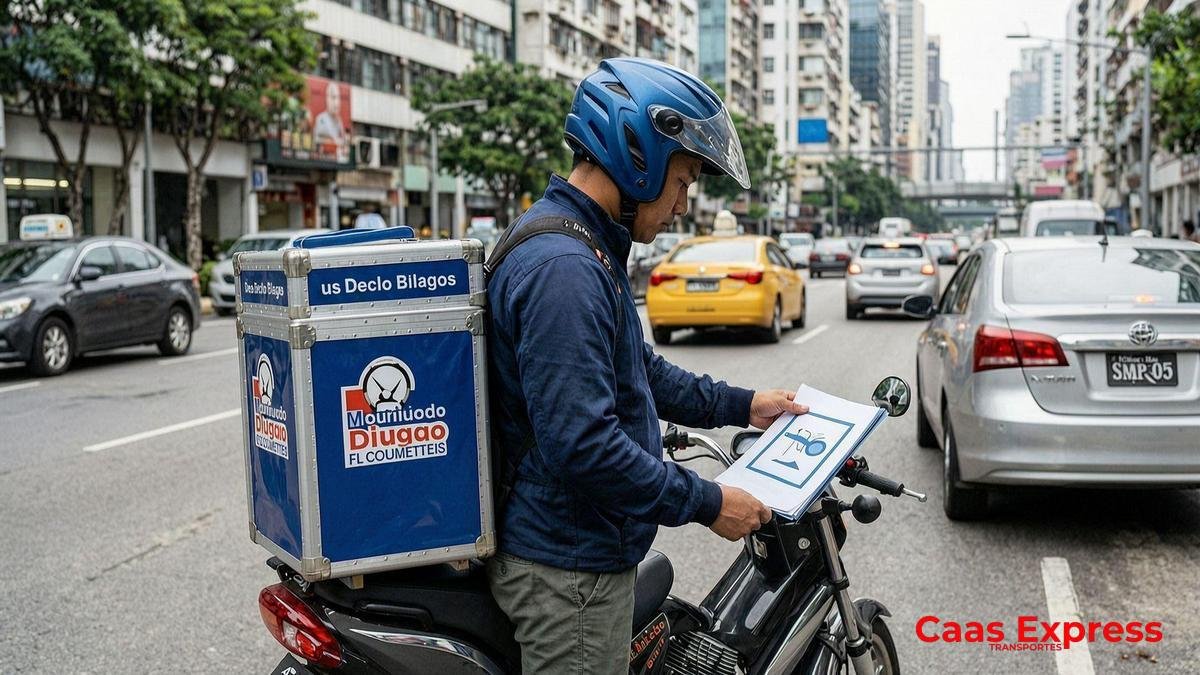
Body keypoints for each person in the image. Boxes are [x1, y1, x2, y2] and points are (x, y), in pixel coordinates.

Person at [485, 57, 808, 674]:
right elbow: (584, 447)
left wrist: (744, 405)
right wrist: (710, 502)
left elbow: (640, 372)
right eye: (684, 181)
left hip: (575, 555)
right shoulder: (566, 271)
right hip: (568, 574)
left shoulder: (583, 245)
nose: (684, 204)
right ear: (640, 160)